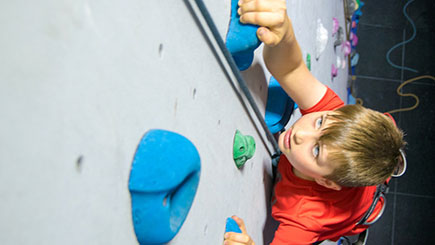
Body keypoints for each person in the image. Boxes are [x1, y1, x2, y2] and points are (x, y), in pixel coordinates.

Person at [223, 0, 406, 244]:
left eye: (316, 150)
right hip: (351, 168)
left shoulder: (304, 215)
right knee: (384, 133)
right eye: (319, 123)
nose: (301, 134)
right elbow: (290, 69)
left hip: (353, 214)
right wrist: (283, 33)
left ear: (325, 181)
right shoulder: (335, 116)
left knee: (353, 216)